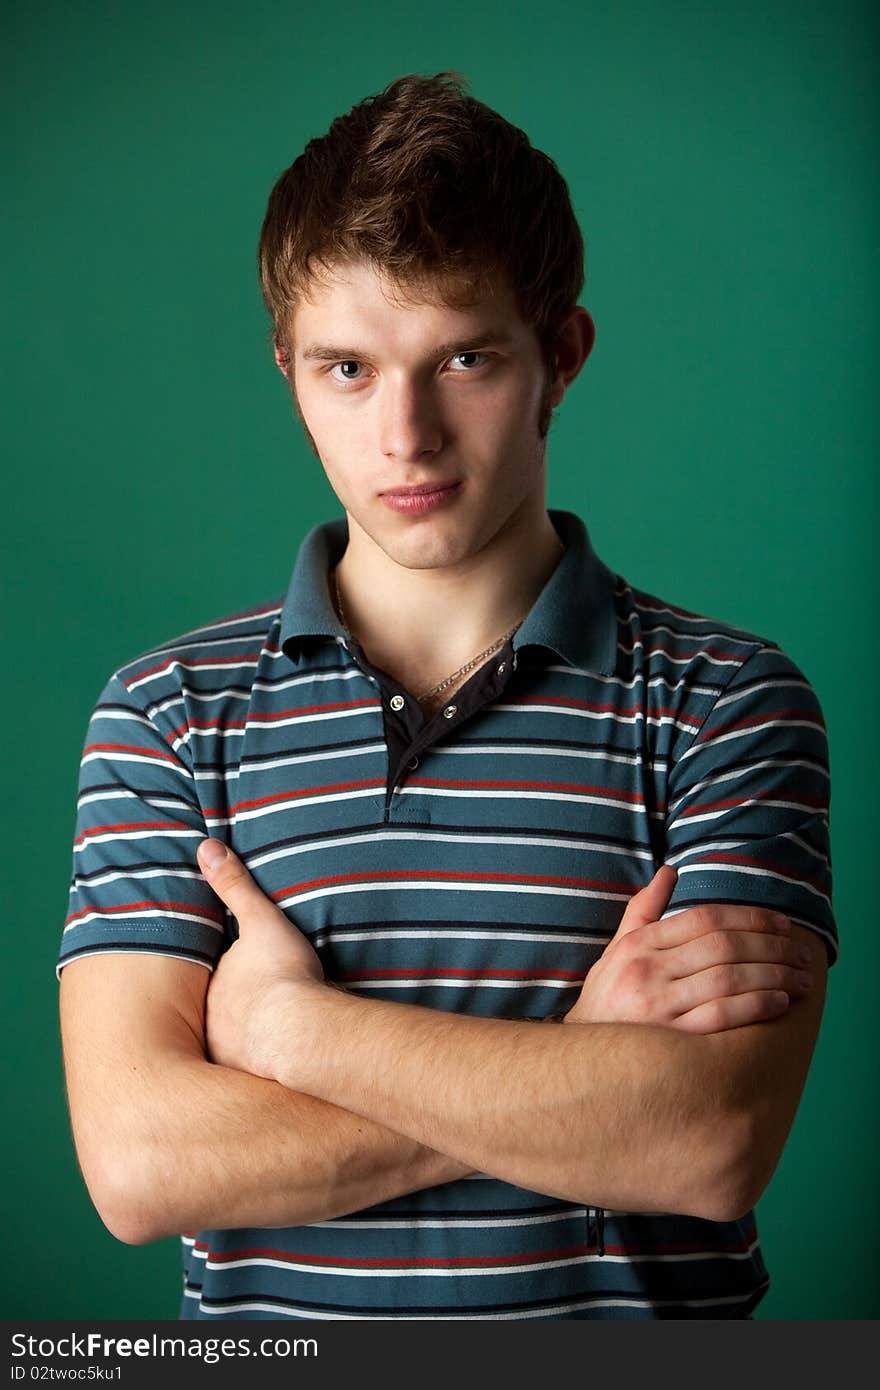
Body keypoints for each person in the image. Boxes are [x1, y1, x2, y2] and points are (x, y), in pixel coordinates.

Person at [58, 72, 836, 1321]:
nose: (405, 435)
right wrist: (581, 1076)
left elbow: (704, 1148)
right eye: (348, 369)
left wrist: (292, 1034)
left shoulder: (724, 706)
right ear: (289, 373)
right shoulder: (167, 714)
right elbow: (143, 1167)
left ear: (559, 356)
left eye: (463, 357)